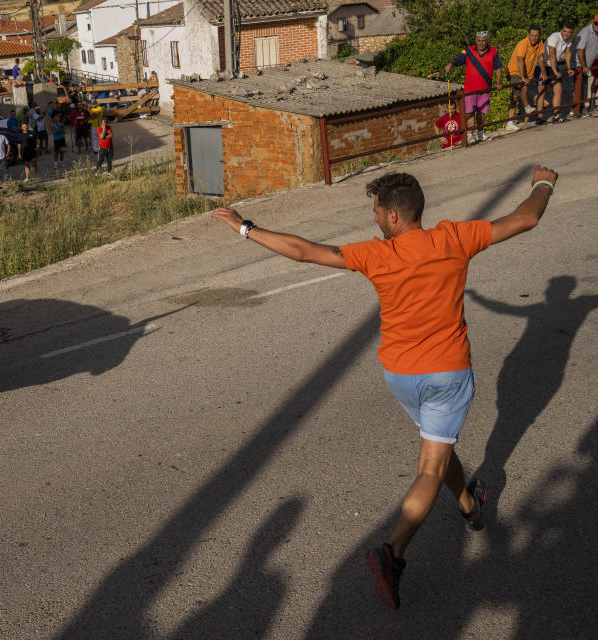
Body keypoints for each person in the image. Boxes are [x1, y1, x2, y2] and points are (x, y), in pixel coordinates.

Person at [210, 165, 559, 610]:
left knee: (439, 443)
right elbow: (526, 218)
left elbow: (301, 251)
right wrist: (543, 183)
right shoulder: (454, 238)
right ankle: (392, 553)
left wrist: (245, 228)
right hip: (446, 375)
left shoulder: (376, 255)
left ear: (393, 216)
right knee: (430, 467)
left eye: (376, 211)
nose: (373, 219)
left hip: (400, 377)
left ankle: (470, 504)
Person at [442, 31, 502, 143]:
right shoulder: (469, 51)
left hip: (485, 88)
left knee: (481, 112)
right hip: (470, 89)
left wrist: (498, 82)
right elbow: (458, 59)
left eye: (484, 40)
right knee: (469, 112)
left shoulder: (493, 52)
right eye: (479, 40)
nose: (481, 43)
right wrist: (450, 64)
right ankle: (469, 134)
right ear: (476, 41)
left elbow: (498, 68)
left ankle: (480, 133)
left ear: (487, 41)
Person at [505, 26, 546, 131]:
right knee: (523, 85)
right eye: (532, 35)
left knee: (514, 97)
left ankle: (509, 123)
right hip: (514, 71)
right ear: (528, 35)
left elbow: (541, 58)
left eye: (536, 35)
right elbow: (520, 60)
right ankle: (527, 107)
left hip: (525, 73)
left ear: (539, 36)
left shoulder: (539, 43)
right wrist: (523, 77)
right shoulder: (523, 43)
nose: (534, 38)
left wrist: (544, 73)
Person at [540, 21, 576, 123]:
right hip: (543, 65)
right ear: (561, 30)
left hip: (552, 65)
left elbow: (568, 53)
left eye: (569, 32)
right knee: (541, 92)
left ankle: (556, 116)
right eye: (564, 31)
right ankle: (540, 118)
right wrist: (555, 71)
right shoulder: (554, 37)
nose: (566, 34)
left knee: (558, 89)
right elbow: (551, 55)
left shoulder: (569, 39)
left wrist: (569, 68)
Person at [573, 15, 598, 116]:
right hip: (577, 63)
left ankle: (582, 108)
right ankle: (575, 109)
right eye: (596, 23)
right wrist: (584, 66)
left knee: (584, 86)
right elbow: (580, 50)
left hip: (587, 64)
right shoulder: (585, 32)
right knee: (577, 87)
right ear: (593, 22)